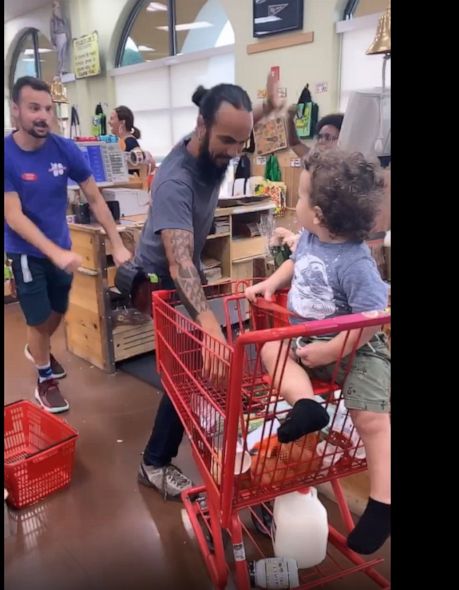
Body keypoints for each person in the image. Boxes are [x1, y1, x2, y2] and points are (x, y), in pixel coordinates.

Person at [135, 73, 282, 499]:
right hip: (159, 279)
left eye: (242, 142)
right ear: (200, 126)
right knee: (187, 370)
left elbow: (241, 120)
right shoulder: (176, 180)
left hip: (187, 270)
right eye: (227, 142)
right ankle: (153, 462)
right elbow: (178, 262)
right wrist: (207, 323)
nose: (234, 152)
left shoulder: (218, 141)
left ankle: (200, 421)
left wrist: (269, 106)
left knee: (201, 363)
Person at [244, 149, 390, 554]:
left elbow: (373, 319)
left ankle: (382, 503)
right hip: (308, 337)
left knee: (372, 417)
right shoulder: (310, 237)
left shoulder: (357, 263)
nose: (297, 204)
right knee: (272, 348)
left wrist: (332, 351)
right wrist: (271, 284)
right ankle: (307, 404)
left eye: (303, 197)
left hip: (358, 347)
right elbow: (295, 261)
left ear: (321, 213)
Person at [4, 76, 133, 413]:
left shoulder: (65, 149)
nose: (43, 115)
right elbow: (13, 216)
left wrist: (117, 242)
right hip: (26, 252)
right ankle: (45, 381)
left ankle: (39, 348)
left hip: (60, 249)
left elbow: (94, 196)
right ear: (15, 111)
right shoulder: (5, 155)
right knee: (37, 319)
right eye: (34, 108)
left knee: (57, 311)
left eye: (48, 108)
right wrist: (55, 252)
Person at [108, 105, 155, 173]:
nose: (109, 122)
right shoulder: (125, 142)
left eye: (112, 119)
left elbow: (147, 164)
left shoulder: (130, 143)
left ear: (122, 123)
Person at [51, 0, 70, 76]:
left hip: (63, 34)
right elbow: (52, 30)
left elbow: (66, 26)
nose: (58, 8)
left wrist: (67, 34)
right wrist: (53, 40)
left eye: (58, 7)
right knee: (60, 53)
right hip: (58, 35)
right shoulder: (53, 19)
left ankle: (64, 68)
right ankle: (60, 69)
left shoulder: (63, 17)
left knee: (64, 51)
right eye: (56, 7)